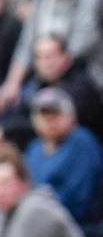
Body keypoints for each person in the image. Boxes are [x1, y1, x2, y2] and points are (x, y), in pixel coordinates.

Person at [0, 0, 103, 112]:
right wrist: (12, 83)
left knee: (57, 107)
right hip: (45, 73)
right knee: (9, 103)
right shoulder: (41, 1)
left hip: (84, 72)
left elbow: (86, 38)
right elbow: (26, 45)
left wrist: (54, 62)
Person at [25, 87, 103, 229]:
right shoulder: (34, 148)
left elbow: (79, 201)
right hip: (40, 223)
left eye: (56, 115)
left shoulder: (82, 143)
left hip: (80, 230)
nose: (50, 122)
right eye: (44, 117)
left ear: (71, 117)